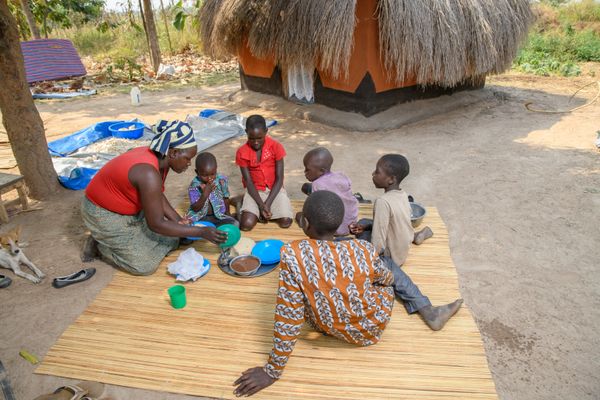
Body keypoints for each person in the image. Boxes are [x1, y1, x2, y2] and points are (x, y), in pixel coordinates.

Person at [233, 191, 463, 397]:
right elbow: (387, 279)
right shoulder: (361, 249)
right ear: (340, 223)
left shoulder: (292, 254)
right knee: (383, 272)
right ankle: (426, 309)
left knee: (302, 291)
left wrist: (272, 371)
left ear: (304, 223)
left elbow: (289, 317)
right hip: (373, 326)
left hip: (327, 325)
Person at [81, 120, 226, 275]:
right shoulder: (148, 172)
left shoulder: (160, 159)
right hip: (102, 213)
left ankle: (124, 236)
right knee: (145, 266)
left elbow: (157, 194)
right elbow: (156, 224)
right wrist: (200, 232)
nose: (189, 164)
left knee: (176, 237)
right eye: (188, 158)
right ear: (174, 153)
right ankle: (101, 243)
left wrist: (179, 222)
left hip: (130, 207)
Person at [349, 154, 433, 268]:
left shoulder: (382, 202)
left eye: (377, 172)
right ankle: (415, 236)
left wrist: (371, 262)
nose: (373, 174)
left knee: (359, 234)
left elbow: (377, 244)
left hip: (390, 258)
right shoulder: (403, 194)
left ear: (391, 179)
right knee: (366, 223)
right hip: (403, 247)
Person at [235, 114, 293, 231]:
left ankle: (255, 208)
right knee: (246, 225)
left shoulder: (276, 147)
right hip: (255, 191)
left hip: (274, 190)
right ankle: (239, 203)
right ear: (246, 132)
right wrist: (262, 206)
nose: (256, 142)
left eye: (259, 138)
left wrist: (267, 204)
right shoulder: (242, 152)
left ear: (266, 131)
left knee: (285, 222)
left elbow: (279, 179)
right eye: (252, 138)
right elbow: (249, 182)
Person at [296, 147, 358, 236]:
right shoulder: (341, 175)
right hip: (350, 225)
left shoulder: (317, 184)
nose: (304, 172)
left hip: (333, 230)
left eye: (307, 169)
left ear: (321, 171)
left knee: (299, 215)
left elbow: (316, 210)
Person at [186, 152, 238, 227]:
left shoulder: (221, 180)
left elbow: (225, 198)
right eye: (205, 175)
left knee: (235, 224)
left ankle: (212, 230)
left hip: (218, 216)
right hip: (200, 217)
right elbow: (195, 208)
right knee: (188, 227)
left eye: (213, 174)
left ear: (216, 169)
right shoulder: (194, 186)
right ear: (197, 172)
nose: (209, 178)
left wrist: (228, 214)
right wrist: (205, 194)